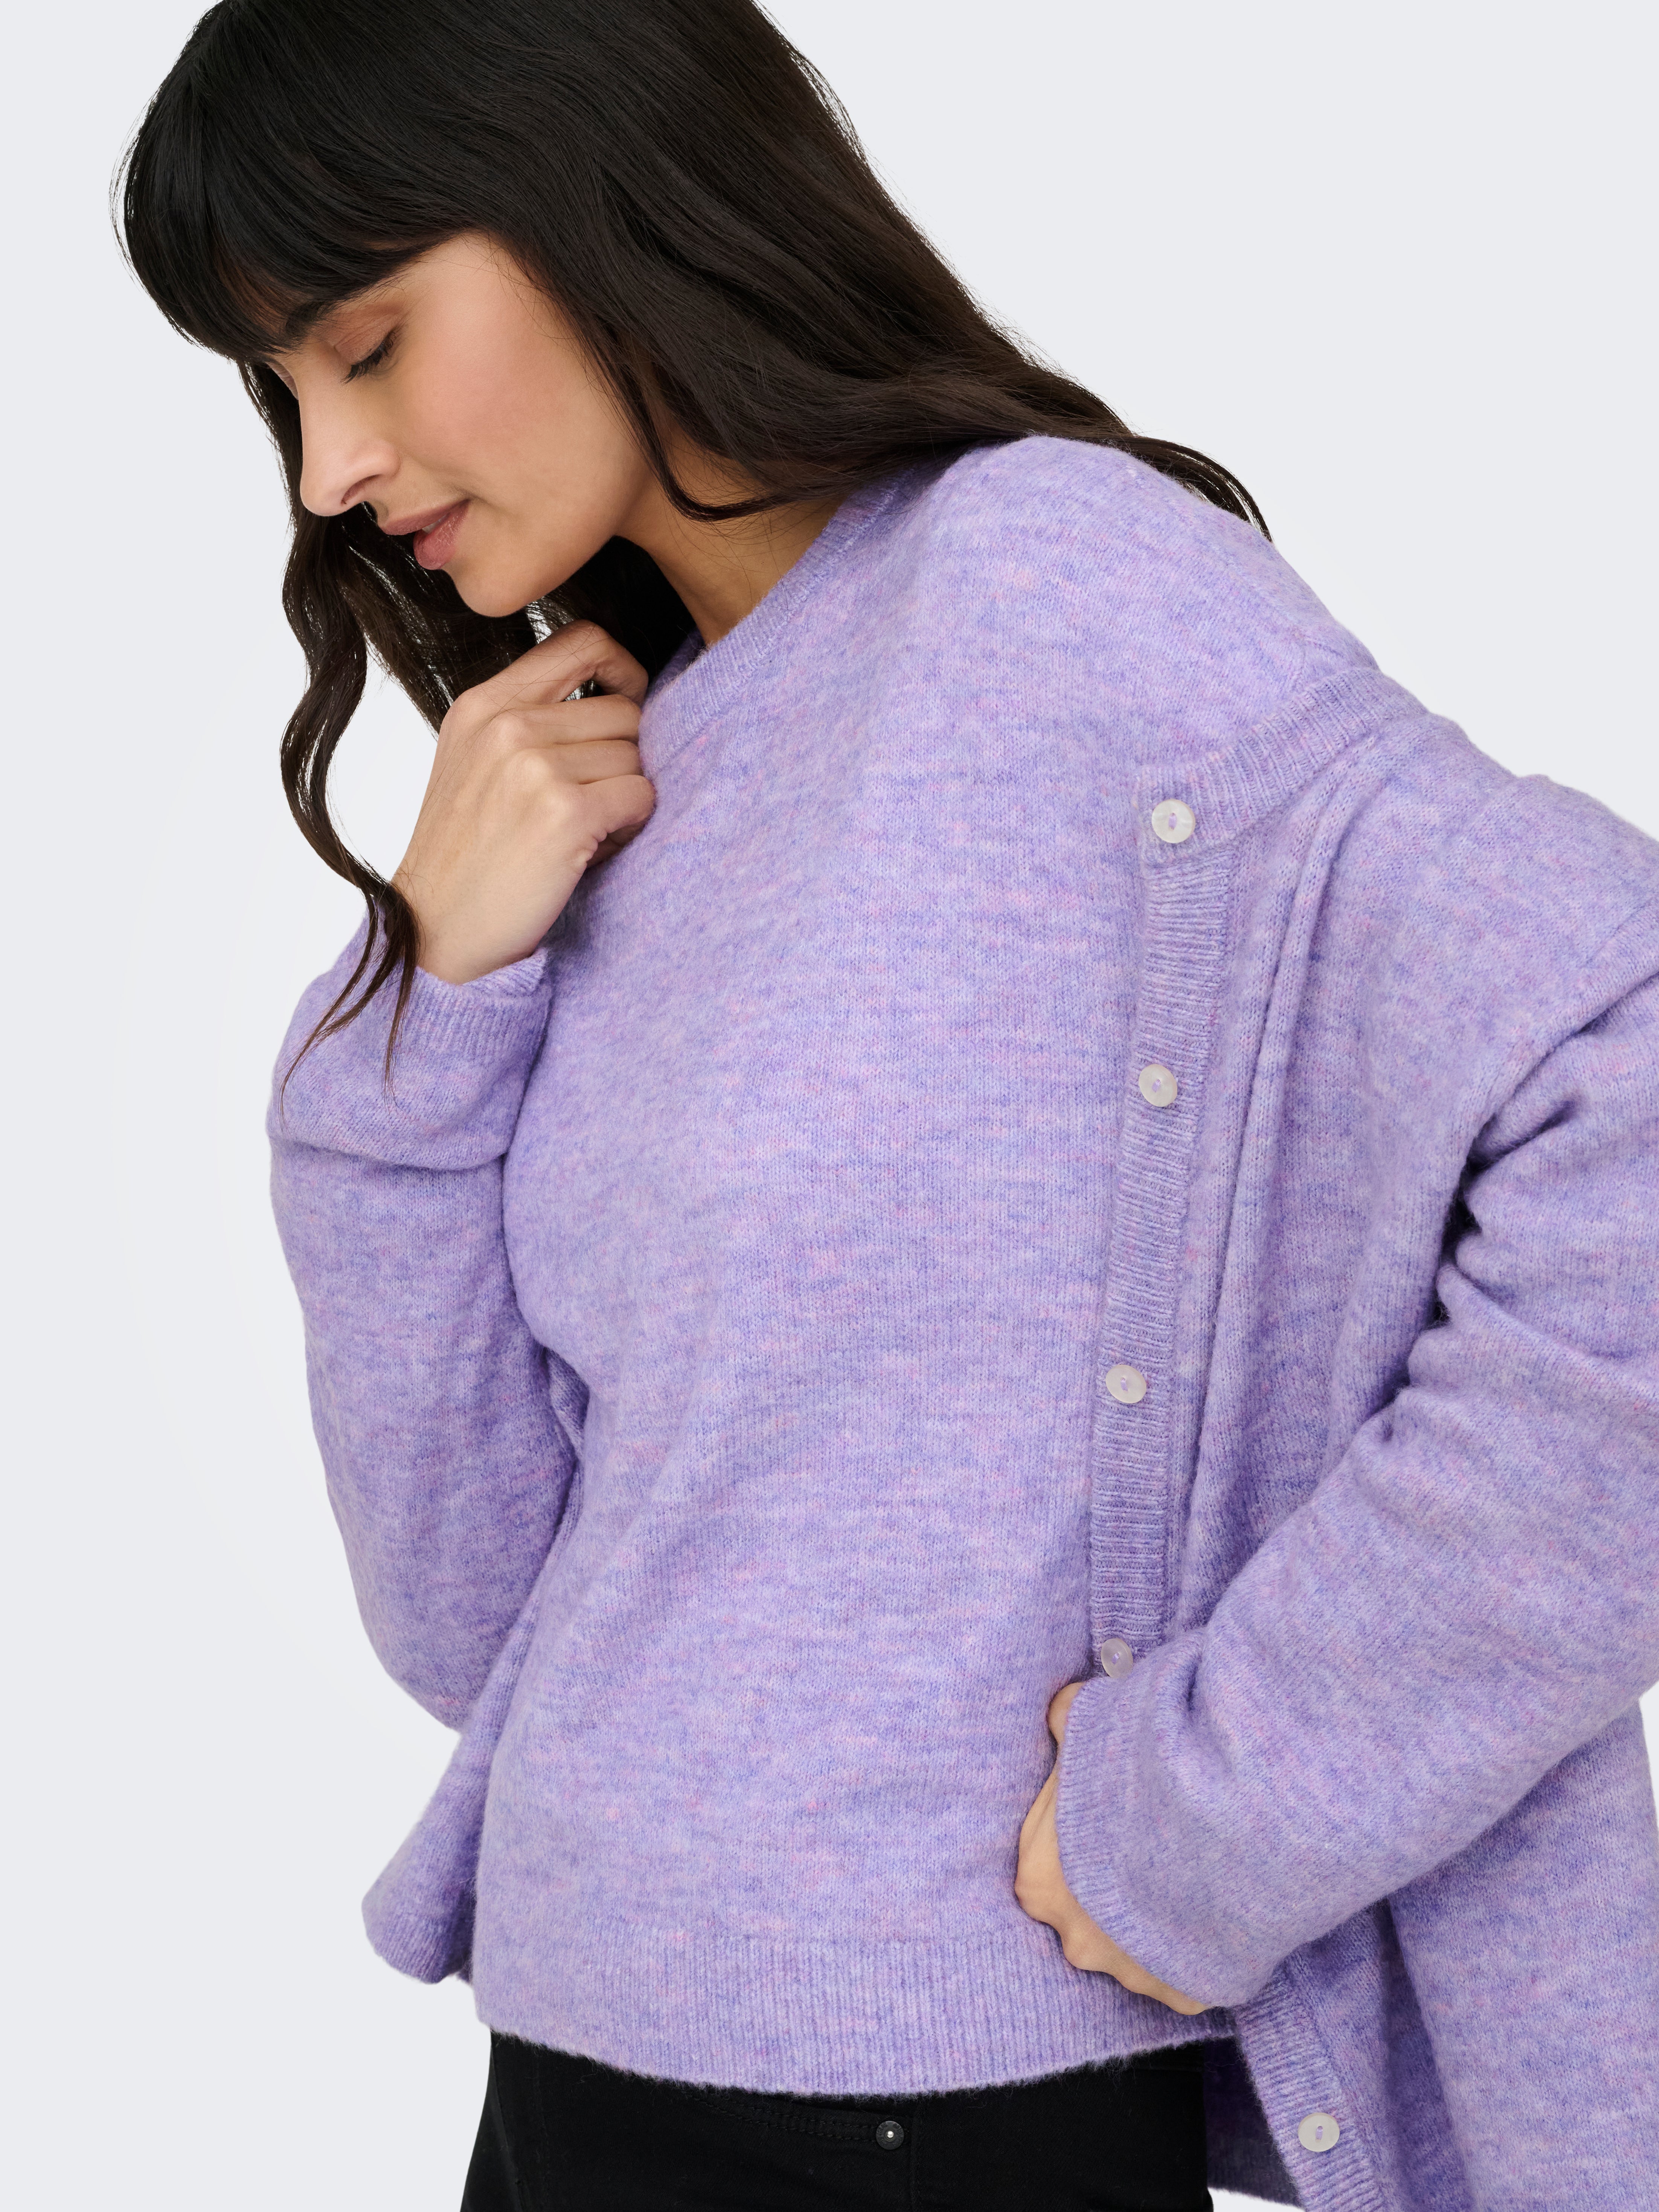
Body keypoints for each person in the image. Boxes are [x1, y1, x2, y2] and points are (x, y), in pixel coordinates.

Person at [119, 2, 1659, 2207]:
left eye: (364, 344)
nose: (325, 471)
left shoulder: (1046, 586)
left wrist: (1226, 1799)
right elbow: (487, 1623)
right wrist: (428, 1011)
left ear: (599, 200)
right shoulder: (620, 779)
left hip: (934, 2110)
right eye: (280, 391)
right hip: (576, 2066)